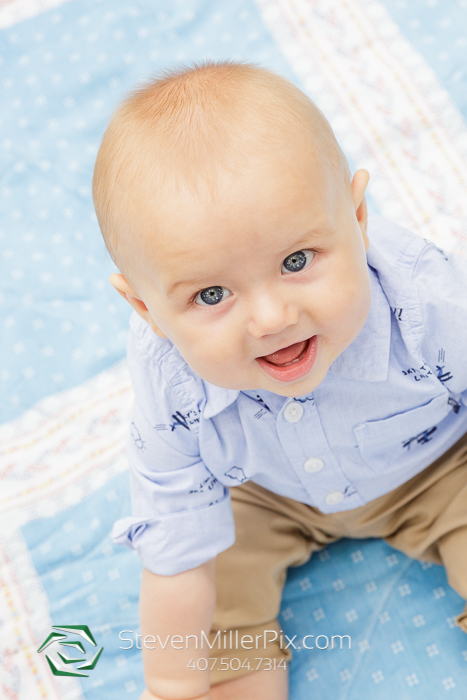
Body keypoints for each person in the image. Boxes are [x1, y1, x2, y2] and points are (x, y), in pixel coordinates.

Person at [92, 59, 467, 700]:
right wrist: (172, 684)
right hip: (260, 495)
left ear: (358, 218)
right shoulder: (170, 381)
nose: (272, 318)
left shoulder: (429, 304)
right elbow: (177, 546)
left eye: (297, 260)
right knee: (212, 614)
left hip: (437, 465)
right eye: (212, 294)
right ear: (147, 311)